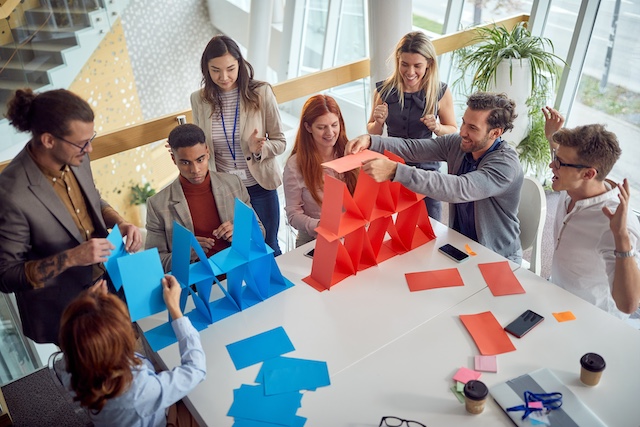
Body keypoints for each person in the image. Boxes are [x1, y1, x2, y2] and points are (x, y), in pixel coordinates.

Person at [0, 88, 142, 345]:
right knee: (102, 378)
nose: (90, 148)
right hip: (68, 308)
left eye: (91, 138)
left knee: (136, 349)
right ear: (48, 140)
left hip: (110, 279)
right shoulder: (10, 194)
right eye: (82, 143)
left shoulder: (77, 155)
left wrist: (119, 221)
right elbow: (6, 275)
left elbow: (93, 200)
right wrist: (73, 258)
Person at [347, 92, 523, 263]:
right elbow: (414, 148)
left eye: (473, 128)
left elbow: (459, 188)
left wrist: (395, 171)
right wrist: (372, 141)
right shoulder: (458, 144)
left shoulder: (505, 165)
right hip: (462, 246)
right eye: (464, 123)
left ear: (495, 133)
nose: (462, 132)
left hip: (498, 256)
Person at [55, 275, 206, 426]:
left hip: (114, 415)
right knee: (204, 408)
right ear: (122, 340)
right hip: (152, 415)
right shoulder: (139, 390)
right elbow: (196, 369)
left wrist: (89, 308)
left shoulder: (71, 365)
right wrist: (175, 309)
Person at [191, 35, 285, 256]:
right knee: (241, 250)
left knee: (270, 245)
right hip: (225, 191)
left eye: (230, 69)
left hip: (260, 186)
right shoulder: (199, 99)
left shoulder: (260, 92)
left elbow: (280, 141)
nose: (224, 77)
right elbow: (202, 145)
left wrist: (259, 149)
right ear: (206, 69)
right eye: (215, 70)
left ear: (240, 65)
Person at [542, 106, 640, 318]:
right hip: (556, 297)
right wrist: (552, 136)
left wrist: (621, 237)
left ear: (588, 174)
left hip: (591, 318)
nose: (552, 164)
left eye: (558, 162)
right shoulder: (571, 184)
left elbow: (629, 305)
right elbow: (567, 160)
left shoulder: (615, 222)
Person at [146, 124, 263, 272]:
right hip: (196, 286)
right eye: (185, 162)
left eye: (200, 160)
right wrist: (184, 255)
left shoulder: (233, 184)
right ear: (173, 159)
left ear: (207, 152)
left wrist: (241, 233)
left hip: (240, 272)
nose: (195, 170)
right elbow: (153, 263)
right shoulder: (157, 205)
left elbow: (260, 231)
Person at [367, 31, 457, 221]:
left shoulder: (440, 91)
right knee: (392, 225)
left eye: (418, 66)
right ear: (398, 61)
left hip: (426, 172)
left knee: (430, 226)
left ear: (429, 64)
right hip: (392, 166)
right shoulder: (383, 90)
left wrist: (437, 128)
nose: (410, 72)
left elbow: (452, 129)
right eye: (404, 64)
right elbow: (372, 130)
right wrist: (379, 122)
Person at [284, 95, 358, 247]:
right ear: (308, 127)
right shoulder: (295, 165)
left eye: (334, 125)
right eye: (321, 127)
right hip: (313, 240)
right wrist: (320, 226)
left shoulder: (350, 152)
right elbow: (293, 214)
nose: (330, 133)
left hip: (351, 233)